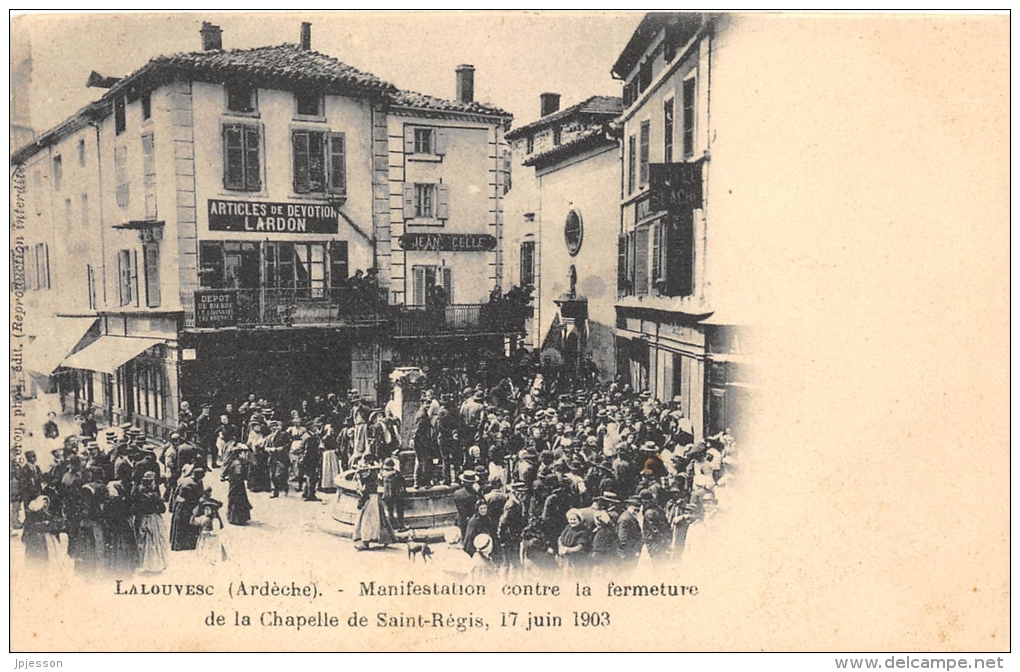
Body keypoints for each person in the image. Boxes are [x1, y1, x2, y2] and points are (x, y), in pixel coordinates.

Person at [352, 458, 396, 550]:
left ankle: (366, 542)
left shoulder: (368, 479)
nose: (362, 474)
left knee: (367, 521)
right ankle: (386, 539)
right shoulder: (372, 477)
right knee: (381, 519)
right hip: (374, 498)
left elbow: (365, 491)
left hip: (370, 500)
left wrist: (360, 492)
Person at [133, 471, 168, 574]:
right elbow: (162, 509)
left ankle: (145, 565)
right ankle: (155, 564)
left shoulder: (138, 493)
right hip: (153, 520)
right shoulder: (154, 495)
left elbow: (134, 508)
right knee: (155, 543)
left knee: (144, 543)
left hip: (142, 520)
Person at [170, 465, 205, 551]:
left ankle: (176, 543)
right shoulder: (195, 484)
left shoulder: (184, 480)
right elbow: (197, 496)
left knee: (179, 524)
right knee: (187, 524)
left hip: (180, 504)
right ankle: (185, 544)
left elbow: (176, 493)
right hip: (188, 506)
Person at [220, 442, 253, 525]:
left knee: (235, 499)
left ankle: (235, 518)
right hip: (237, 483)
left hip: (236, 483)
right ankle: (237, 518)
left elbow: (237, 474)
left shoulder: (236, 462)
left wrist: (226, 477)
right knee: (237, 499)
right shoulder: (237, 462)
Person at [192, 490, 227, 565]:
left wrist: (209, 532)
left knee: (211, 550)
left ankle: (211, 561)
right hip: (203, 537)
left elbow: (216, 531)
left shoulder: (214, 520)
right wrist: (193, 515)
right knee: (203, 548)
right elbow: (195, 522)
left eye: (208, 509)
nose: (205, 511)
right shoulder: (203, 517)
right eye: (205, 509)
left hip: (211, 539)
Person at [22, 495, 59, 565]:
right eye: (44, 504)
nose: (45, 506)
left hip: (45, 539)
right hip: (36, 540)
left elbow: (52, 525)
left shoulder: (47, 514)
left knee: (45, 557)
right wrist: (43, 525)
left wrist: (48, 524)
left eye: (46, 504)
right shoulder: (32, 516)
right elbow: (29, 527)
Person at [557, 509, 592, 576]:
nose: (572, 521)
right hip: (564, 558)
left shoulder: (583, 531)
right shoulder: (568, 527)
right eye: (570, 519)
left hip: (575, 559)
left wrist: (568, 550)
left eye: (574, 519)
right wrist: (560, 546)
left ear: (579, 520)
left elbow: (581, 546)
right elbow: (560, 538)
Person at [380, 457, 407, 530]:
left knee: (390, 511)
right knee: (399, 511)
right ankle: (401, 526)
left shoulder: (382, 474)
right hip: (396, 494)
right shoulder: (396, 473)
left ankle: (391, 526)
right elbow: (403, 482)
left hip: (387, 495)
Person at [617, 497, 643, 570]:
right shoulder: (625, 519)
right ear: (629, 506)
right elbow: (623, 539)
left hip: (630, 553)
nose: (637, 508)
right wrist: (633, 551)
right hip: (627, 554)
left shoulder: (631, 517)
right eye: (634, 505)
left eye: (638, 506)